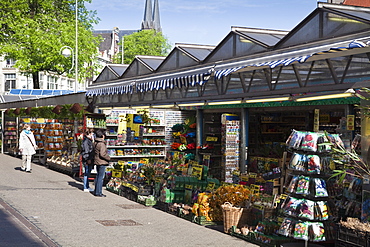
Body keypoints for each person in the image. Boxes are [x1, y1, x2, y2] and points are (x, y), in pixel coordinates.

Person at [93, 129, 110, 197]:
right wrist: (108, 158)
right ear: (102, 136)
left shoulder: (95, 142)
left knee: (98, 176)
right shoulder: (101, 144)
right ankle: (98, 192)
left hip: (97, 161)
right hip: (102, 162)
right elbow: (102, 154)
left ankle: (96, 191)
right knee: (100, 177)